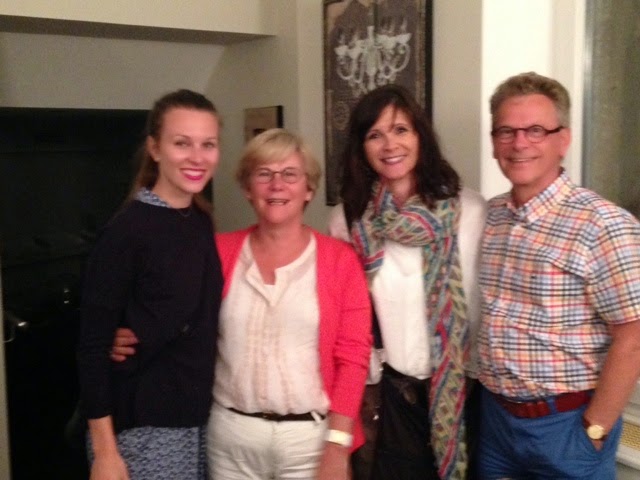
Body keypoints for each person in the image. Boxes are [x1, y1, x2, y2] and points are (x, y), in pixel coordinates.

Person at [113, 128, 372, 479]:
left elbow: (353, 358)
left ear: (309, 189)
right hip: (231, 438)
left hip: (312, 440)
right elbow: (173, 316)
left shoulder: (340, 261)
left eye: (290, 174)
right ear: (248, 188)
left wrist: (338, 448)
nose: (277, 185)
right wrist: (128, 334)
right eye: (263, 174)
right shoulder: (216, 252)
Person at [476, 71, 640, 479]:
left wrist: (594, 430)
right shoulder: (490, 216)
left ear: (563, 139)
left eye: (536, 130)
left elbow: (633, 337)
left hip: (567, 427)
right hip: (494, 422)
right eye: (506, 131)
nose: (519, 143)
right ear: (494, 141)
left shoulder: (604, 225)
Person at [328, 84, 487, 480]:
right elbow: (347, 317)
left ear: (420, 137)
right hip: (393, 399)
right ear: (361, 147)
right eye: (375, 134)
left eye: (400, 130)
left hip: (466, 392)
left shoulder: (470, 210)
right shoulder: (348, 220)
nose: (389, 145)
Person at [76, 89, 223, 480]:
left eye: (208, 144)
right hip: (141, 430)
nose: (197, 157)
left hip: (195, 421)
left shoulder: (199, 221)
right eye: (182, 143)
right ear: (155, 148)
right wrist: (105, 453)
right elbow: (91, 348)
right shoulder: (127, 231)